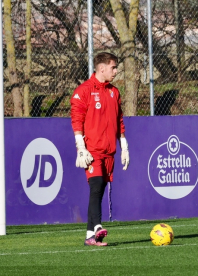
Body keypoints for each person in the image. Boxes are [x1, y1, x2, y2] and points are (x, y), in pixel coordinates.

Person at [70, 52, 129, 246]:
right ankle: (97, 227)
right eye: (113, 67)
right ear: (101, 68)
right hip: (92, 149)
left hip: (109, 150)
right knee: (95, 187)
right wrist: (81, 147)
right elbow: (76, 120)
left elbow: (119, 120)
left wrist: (124, 145)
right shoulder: (84, 91)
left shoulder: (114, 92)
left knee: (100, 189)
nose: (116, 70)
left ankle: (89, 235)